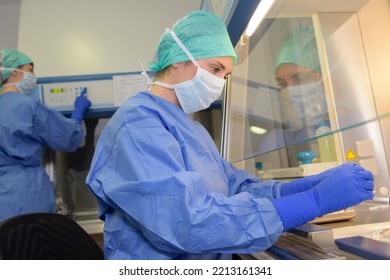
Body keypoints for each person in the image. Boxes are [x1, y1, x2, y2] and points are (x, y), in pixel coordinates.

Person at [86, 11, 374, 260]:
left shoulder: (191, 129)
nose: (219, 83)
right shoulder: (137, 123)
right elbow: (186, 222)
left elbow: (234, 189)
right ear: (177, 59)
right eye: (215, 69)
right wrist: (314, 201)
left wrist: (301, 188)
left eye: (225, 75)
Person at [0, 48, 91, 222]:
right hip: (26, 192)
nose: (33, 76)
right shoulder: (27, 106)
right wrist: (78, 113)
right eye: (30, 70)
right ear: (14, 73)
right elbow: (68, 138)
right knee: (31, 244)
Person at [259, 25, 329, 155]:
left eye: (299, 79)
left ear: (327, 77)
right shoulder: (278, 142)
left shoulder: (363, 127)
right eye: (282, 84)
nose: (290, 91)